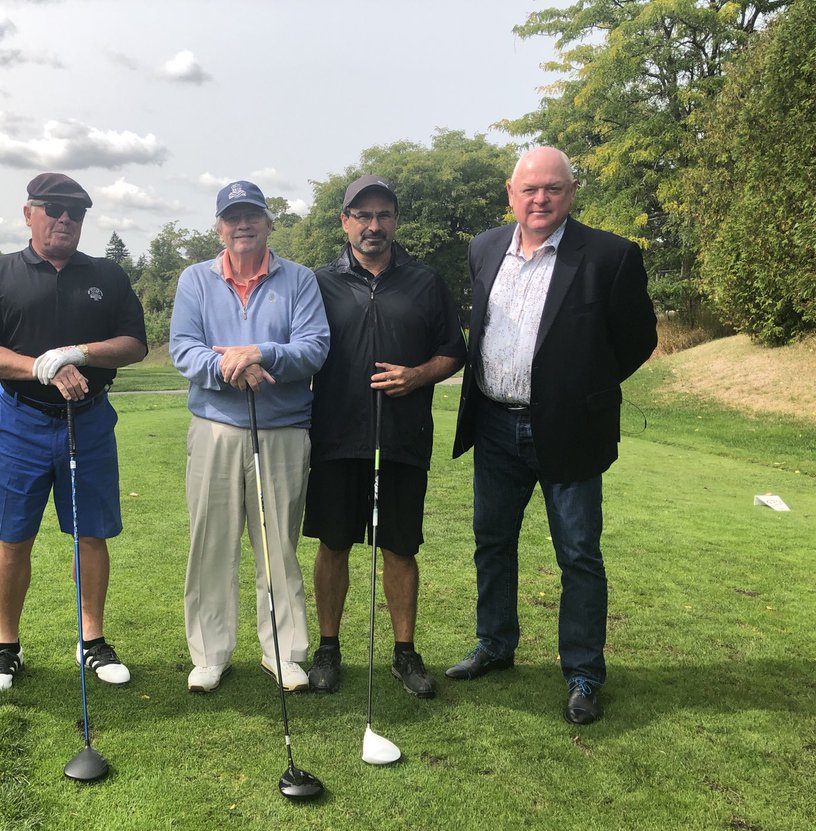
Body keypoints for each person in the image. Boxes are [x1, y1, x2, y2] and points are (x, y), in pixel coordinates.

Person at [448, 147, 658, 724]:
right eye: (530, 189)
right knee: (492, 542)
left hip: (570, 429)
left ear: (571, 192)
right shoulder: (485, 247)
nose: (540, 199)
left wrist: (581, 387)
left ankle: (584, 671)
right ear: (511, 194)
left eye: (553, 189)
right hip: (494, 423)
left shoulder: (610, 256)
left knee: (578, 554)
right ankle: (495, 644)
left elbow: (637, 339)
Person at [0, 173, 147, 694]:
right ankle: (7, 647)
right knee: (13, 537)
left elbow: (133, 343)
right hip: (17, 419)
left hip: (87, 420)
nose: (65, 219)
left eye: (76, 212)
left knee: (91, 535)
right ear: (29, 213)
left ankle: (91, 641)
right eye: (53, 209)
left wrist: (79, 353)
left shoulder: (107, 274)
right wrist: (41, 365)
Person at [304, 175, 466, 697]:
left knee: (399, 547)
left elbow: (453, 351)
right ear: (345, 221)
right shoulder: (317, 282)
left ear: (395, 221)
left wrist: (417, 375)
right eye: (362, 215)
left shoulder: (425, 281)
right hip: (336, 436)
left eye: (384, 215)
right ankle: (328, 647)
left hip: (402, 437)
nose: (373, 226)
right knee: (334, 544)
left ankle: (403, 652)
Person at [170, 180, 330, 693]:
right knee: (211, 544)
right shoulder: (195, 279)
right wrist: (230, 367)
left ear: (268, 222)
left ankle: (283, 653)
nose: (243, 225)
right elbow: (184, 349)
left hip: (282, 430)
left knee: (277, 546)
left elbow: (313, 346)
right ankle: (210, 653)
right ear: (219, 227)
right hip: (215, 429)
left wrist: (259, 353)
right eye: (233, 217)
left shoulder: (300, 280)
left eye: (253, 215)